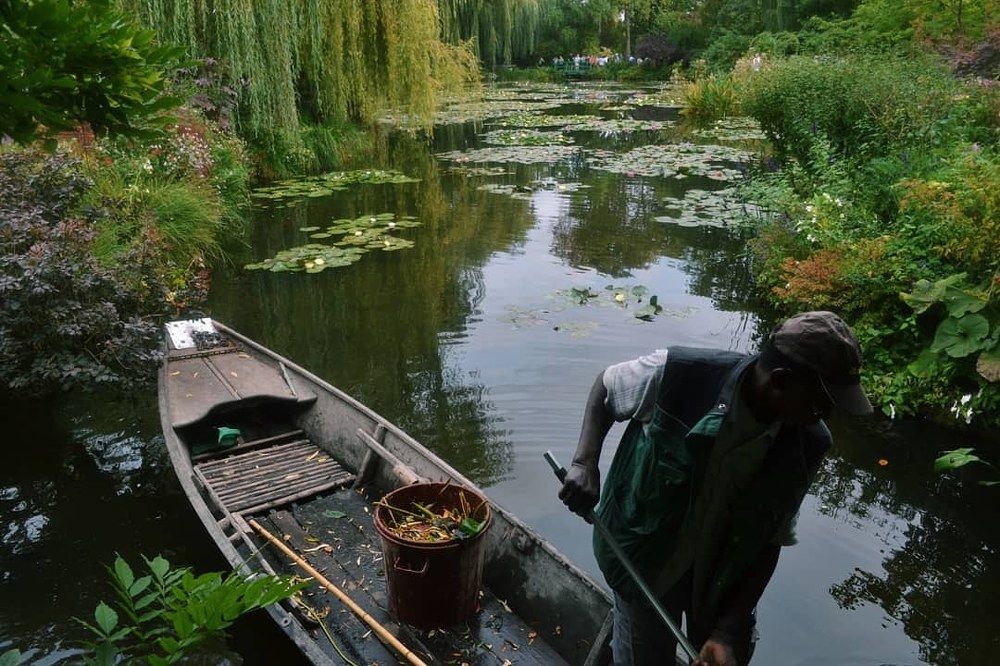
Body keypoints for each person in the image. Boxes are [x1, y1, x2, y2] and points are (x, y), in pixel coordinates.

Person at [558, 311, 873, 666]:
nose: (823, 416)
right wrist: (585, 463)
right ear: (780, 381)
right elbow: (607, 386)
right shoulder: (678, 374)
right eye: (819, 404)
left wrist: (727, 629)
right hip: (644, 559)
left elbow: (771, 542)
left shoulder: (808, 443)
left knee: (724, 653)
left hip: (719, 580)